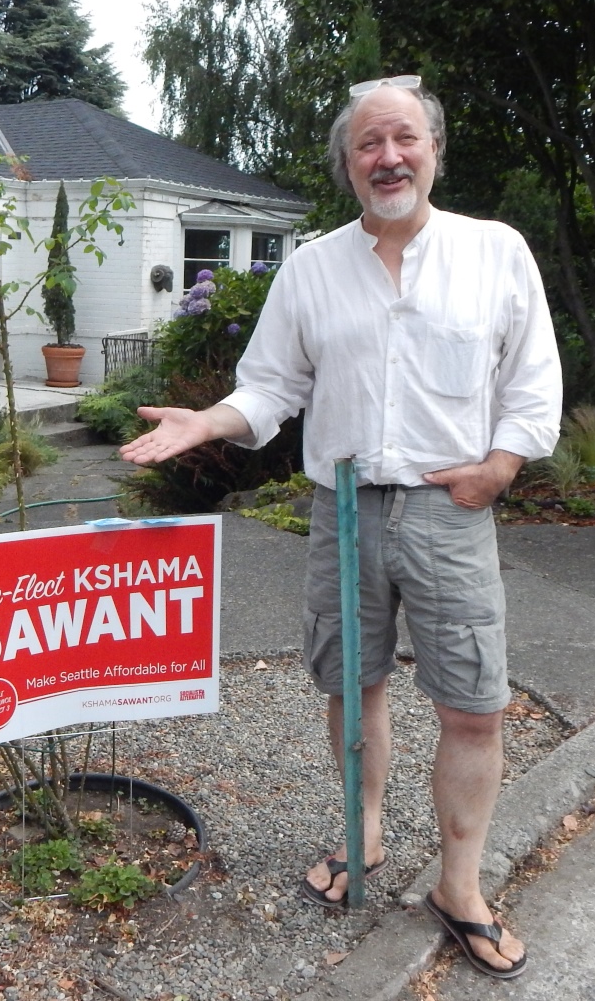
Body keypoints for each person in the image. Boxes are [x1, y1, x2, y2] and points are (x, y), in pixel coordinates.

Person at [119, 75, 561, 979]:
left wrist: (500, 468)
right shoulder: (313, 267)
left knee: (474, 705)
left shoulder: (496, 252)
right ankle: (364, 836)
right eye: (369, 144)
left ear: (433, 150)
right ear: (349, 164)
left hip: (448, 510)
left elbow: (532, 380)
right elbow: (271, 387)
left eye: (404, 139)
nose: (387, 157)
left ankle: (461, 888)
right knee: (351, 685)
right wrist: (207, 422)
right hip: (342, 509)